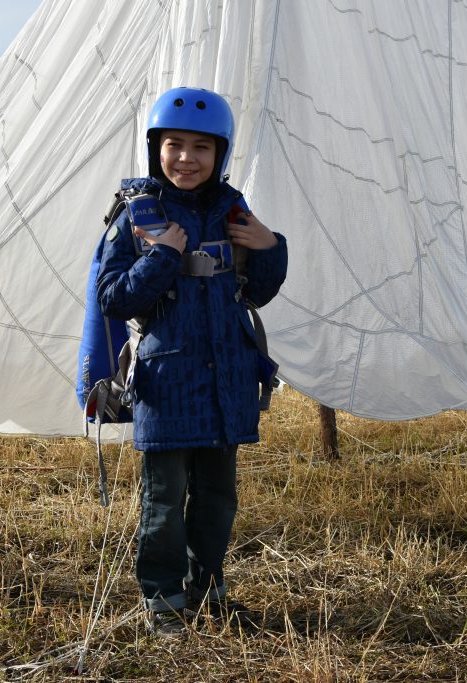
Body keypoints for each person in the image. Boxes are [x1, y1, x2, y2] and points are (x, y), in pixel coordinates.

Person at [96, 87, 288, 636]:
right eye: (174, 145)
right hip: (167, 382)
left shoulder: (233, 208)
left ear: (220, 153)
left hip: (228, 378)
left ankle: (209, 591)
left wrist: (271, 246)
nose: (186, 158)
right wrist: (162, 256)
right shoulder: (138, 214)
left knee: (218, 499)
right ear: (155, 147)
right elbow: (114, 298)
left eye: (201, 147)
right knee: (164, 500)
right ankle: (163, 600)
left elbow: (257, 291)